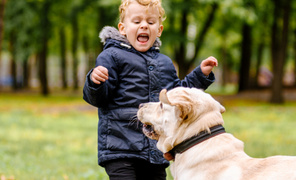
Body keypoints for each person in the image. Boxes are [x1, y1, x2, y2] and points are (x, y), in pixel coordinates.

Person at [83, 0, 218, 179]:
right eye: (137, 22)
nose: (144, 26)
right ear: (122, 28)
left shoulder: (165, 63)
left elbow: (178, 97)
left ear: (159, 30)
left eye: (151, 22)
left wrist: (200, 75)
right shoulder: (111, 56)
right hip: (121, 147)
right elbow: (98, 99)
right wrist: (95, 82)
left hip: (155, 150)